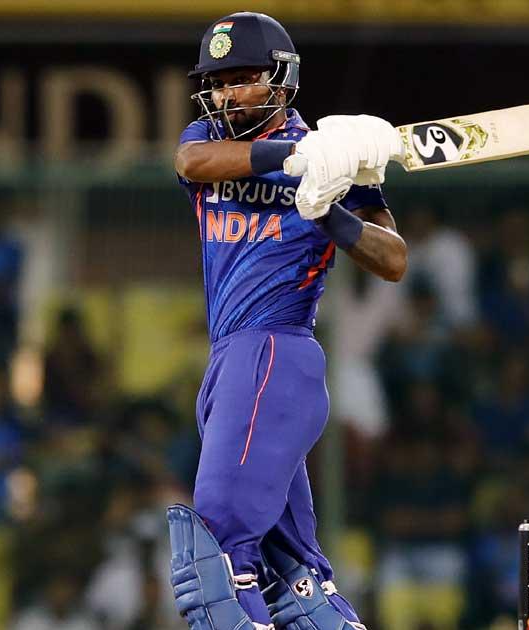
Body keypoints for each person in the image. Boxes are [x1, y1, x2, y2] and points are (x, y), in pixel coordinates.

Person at [169, 12, 408, 630]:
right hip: (231, 362)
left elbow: (393, 260)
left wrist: (328, 211)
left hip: (274, 351)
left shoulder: (339, 163)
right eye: (218, 83)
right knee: (298, 584)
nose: (228, 95)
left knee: (217, 566)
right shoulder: (216, 138)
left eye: (242, 79)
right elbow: (192, 162)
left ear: (281, 79)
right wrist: (299, 156)